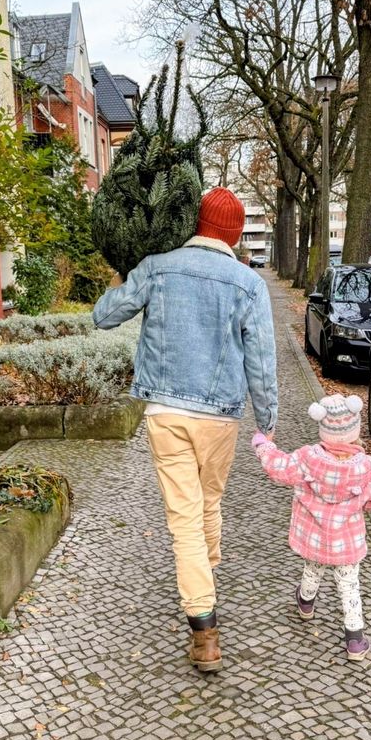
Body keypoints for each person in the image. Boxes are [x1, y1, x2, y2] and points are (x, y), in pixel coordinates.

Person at [93, 187, 278, 672]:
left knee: (184, 519)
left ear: (196, 223)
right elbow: (261, 358)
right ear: (235, 235)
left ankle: (203, 625)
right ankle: (204, 596)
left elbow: (103, 316)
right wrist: (268, 416)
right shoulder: (247, 283)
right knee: (208, 504)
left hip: (166, 414)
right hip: (220, 417)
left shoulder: (157, 266)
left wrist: (123, 272)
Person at [252, 394, 371, 660]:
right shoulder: (366, 467)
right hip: (346, 541)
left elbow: (278, 467)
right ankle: (355, 640)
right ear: (355, 431)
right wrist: (359, 503)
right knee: (349, 585)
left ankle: (305, 602)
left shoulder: (308, 458)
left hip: (315, 537)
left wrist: (262, 445)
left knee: (313, 567)